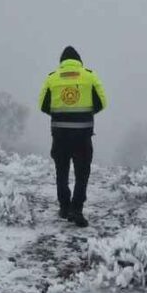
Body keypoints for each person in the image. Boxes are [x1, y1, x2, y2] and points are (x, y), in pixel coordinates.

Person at [38, 46, 108, 228]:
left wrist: (60, 115)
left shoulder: (52, 77)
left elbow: (43, 106)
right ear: (79, 60)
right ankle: (76, 209)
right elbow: (102, 102)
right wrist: (85, 114)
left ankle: (64, 207)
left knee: (61, 172)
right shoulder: (89, 76)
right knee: (82, 174)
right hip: (83, 134)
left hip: (59, 135)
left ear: (62, 61)